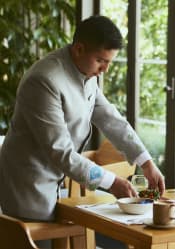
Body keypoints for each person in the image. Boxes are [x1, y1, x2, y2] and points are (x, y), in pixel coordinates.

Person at [0, 15, 165, 221]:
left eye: (109, 62)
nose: (105, 70)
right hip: (30, 187)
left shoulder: (86, 73)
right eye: (101, 61)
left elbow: (111, 119)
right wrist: (112, 182)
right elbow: (61, 152)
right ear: (79, 49)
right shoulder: (43, 80)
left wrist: (146, 162)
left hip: (62, 184)